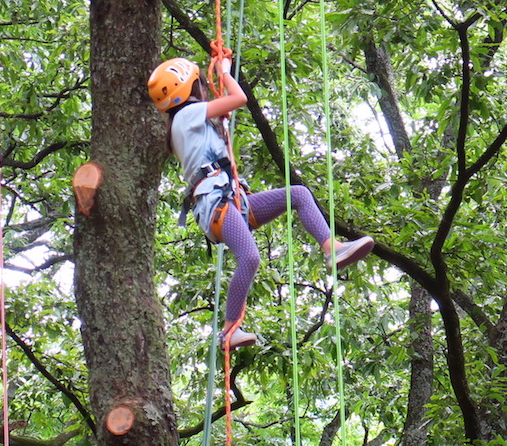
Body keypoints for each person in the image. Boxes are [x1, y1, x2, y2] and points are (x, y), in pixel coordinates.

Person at [150, 54, 375, 350]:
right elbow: (238, 97)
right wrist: (225, 71)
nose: (203, 89)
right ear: (189, 88)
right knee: (250, 257)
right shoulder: (188, 115)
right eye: (200, 84)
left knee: (299, 194)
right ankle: (229, 331)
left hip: (231, 200)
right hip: (217, 204)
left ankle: (332, 249)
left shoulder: (185, 122)